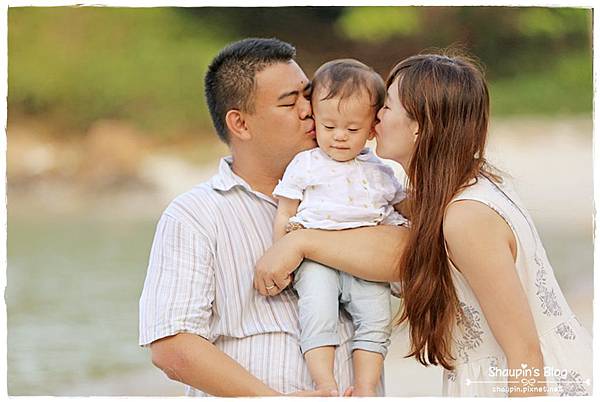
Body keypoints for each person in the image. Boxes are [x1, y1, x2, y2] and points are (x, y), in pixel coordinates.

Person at [255, 52, 592, 397]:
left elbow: (525, 353)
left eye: (387, 106)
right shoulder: (453, 192)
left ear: (418, 125)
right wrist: (299, 241)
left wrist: (297, 242)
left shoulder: (467, 216)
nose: (375, 115)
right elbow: (391, 246)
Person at [138, 37, 406, 397]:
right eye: (289, 102)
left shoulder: (358, 181)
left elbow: (407, 255)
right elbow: (172, 346)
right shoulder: (195, 214)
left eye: (308, 96)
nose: (309, 110)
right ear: (240, 124)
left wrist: (302, 242)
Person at [270, 59, 407, 396]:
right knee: (318, 315)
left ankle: (365, 387)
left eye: (353, 129)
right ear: (315, 121)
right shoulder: (305, 164)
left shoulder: (381, 171)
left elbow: (406, 207)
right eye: (329, 126)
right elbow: (286, 211)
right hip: (317, 260)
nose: (340, 137)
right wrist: (279, 253)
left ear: (372, 129)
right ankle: (325, 384)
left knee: (376, 321)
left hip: (367, 260)